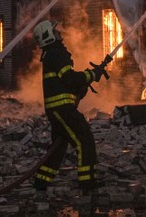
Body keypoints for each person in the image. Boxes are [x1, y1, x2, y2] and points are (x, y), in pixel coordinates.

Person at [31, 20, 106, 192]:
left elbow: (64, 84)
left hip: (59, 110)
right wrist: (91, 75)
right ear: (48, 36)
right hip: (63, 110)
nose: (60, 34)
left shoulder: (52, 55)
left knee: (58, 147)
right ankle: (88, 184)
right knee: (84, 140)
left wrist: (80, 87)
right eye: (55, 32)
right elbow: (69, 78)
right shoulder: (56, 54)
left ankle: (41, 182)